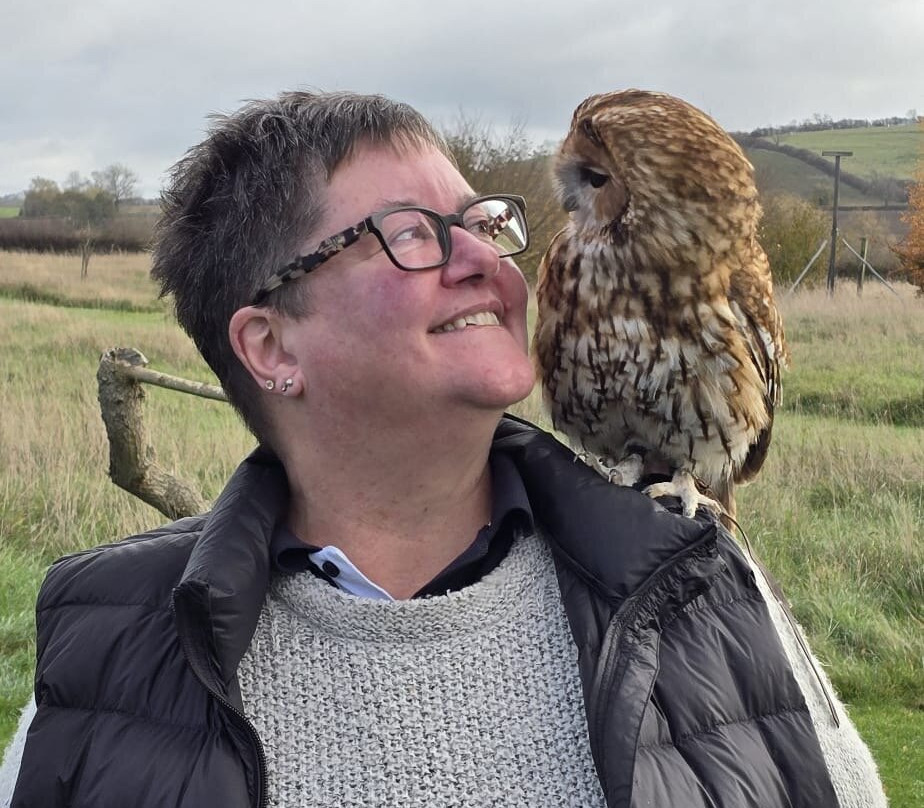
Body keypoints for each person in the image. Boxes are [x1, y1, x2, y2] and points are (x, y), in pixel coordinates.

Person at [0, 91, 886, 808]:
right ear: (271, 348)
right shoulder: (108, 650)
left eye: (483, 220)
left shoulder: (697, 590)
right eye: (413, 233)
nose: (486, 261)